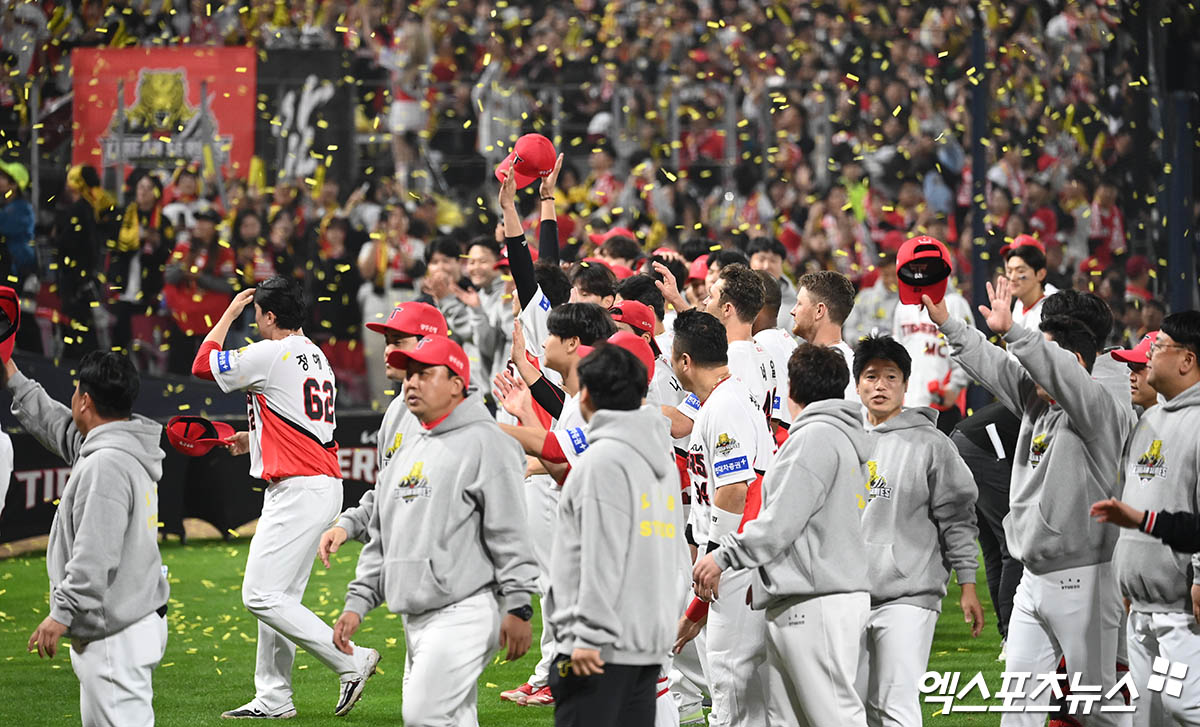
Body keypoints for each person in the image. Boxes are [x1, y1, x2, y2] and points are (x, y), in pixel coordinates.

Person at [925, 277, 1133, 725]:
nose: (1031, 370)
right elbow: (997, 365)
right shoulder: (1037, 399)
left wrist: (1020, 334)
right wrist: (948, 323)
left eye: (1043, 355)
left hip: (1085, 579)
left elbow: (1050, 368)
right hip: (1034, 581)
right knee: (1018, 708)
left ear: (1073, 362)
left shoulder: (1100, 407)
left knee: (1101, 711)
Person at [190, 276, 380, 719]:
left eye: (256, 313)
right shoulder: (314, 353)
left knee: (259, 594)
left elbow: (202, 364)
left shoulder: (270, 352)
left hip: (299, 488)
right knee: (280, 598)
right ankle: (274, 697)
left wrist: (229, 313)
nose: (253, 319)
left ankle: (350, 659)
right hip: (316, 482)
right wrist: (252, 439)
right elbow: (295, 416)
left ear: (270, 316)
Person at [335, 336, 538, 725]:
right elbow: (383, 538)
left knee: (423, 714)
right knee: (454, 718)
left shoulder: (486, 442)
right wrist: (357, 603)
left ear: (457, 384)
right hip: (417, 613)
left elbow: (509, 530)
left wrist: (518, 603)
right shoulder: (407, 450)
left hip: (468, 609)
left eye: (424, 374)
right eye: (409, 375)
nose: (411, 383)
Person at [692, 343, 872, 727]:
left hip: (817, 599)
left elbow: (777, 525)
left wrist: (722, 555)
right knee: (793, 718)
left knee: (835, 717)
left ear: (791, 390)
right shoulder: (845, 436)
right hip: (825, 594)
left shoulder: (814, 439)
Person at [11, 351, 169, 727]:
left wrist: (60, 614)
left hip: (115, 634)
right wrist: (11, 374)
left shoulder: (106, 464)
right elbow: (57, 426)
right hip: (129, 620)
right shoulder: (122, 446)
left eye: (76, 390)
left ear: (85, 401)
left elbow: (95, 555)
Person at [546, 344, 688, 727]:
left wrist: (588, 635)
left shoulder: (602, 460)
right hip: (645, 644)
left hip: (600, 651)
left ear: (587, 395)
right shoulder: (661, 461)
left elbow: (601, 555)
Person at [851, 335, 984, 726]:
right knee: (856, 709)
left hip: (910, 594)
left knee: (895, 707)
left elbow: (958, 518)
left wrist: (968, 584)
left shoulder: (932, 444)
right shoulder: (844, 440)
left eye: (891, 377)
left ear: (906, 384)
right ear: (857, 383)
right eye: (871, 376)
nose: (880, 386)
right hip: (850, 594)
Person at [671, 309, 773, 727]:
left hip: (738, 560)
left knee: (731, 681)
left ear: (684, 361)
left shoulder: (726, 405)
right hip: (738, 555)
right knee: (739, 683)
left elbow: (736, 490)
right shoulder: (725, 397)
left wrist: (716, 557)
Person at [1099, 311, 1200, 726]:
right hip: (1141, 605)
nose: (1149, 357)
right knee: (1146, 717)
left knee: (1187, 707)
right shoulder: (1148, 421)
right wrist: (1127, 575)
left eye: (1157, 348)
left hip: (1183, 608)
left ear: (1187, 360)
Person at [316, 302, 449, 567]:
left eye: (398, 342)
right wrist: (349, 524)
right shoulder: (395, 412)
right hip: (411, 566)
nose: (388, 350)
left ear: (430, 345)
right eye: (387, 342)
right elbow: (390, 492)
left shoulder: (453, 410)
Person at [703, 263, 775, 424]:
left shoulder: (727, 359)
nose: (705, 301)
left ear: (727, 309)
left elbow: (682, 425)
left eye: (711, 296)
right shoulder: (763, 353)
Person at [790, 270, 858, 401]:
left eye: (799, 303)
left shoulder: (840, 370)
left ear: (819, 311)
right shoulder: (852, 365)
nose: (792, 311)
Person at [750, 269, 797, 428]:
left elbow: (773, 421)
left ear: (756, 305)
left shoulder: (762, 343)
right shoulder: (786, 340)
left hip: (779, 439)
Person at [746, 237, 796, 330]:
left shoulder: (795, 303)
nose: (767, 266)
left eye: (773, 260)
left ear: (782, 264)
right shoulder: (737, 295)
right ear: (750, 261)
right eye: (761, 259)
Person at [1005, 241, 1056, 329]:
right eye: (1009, 271)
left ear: (1041, 274)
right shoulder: (1019, 304)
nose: (1012, 278)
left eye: (1020, 271)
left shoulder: (1051, 312)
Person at [1112, 331, 1160, 413]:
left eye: (1141, 368)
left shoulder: (1180, 421)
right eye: (1132, 367)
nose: (1131, 377)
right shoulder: (1137, 416)